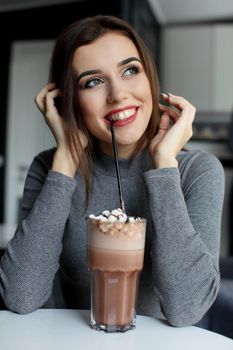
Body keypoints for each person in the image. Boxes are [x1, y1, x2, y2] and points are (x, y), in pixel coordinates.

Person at [0, 15, 224, 327]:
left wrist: (164, 168)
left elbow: (186, 308)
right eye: (93, 81)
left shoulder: (196, 170)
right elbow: (21, 296)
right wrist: (65, 161)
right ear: (68, 101)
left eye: (130, 70)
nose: (118, 94)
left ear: (150, 79)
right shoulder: (50, 169)